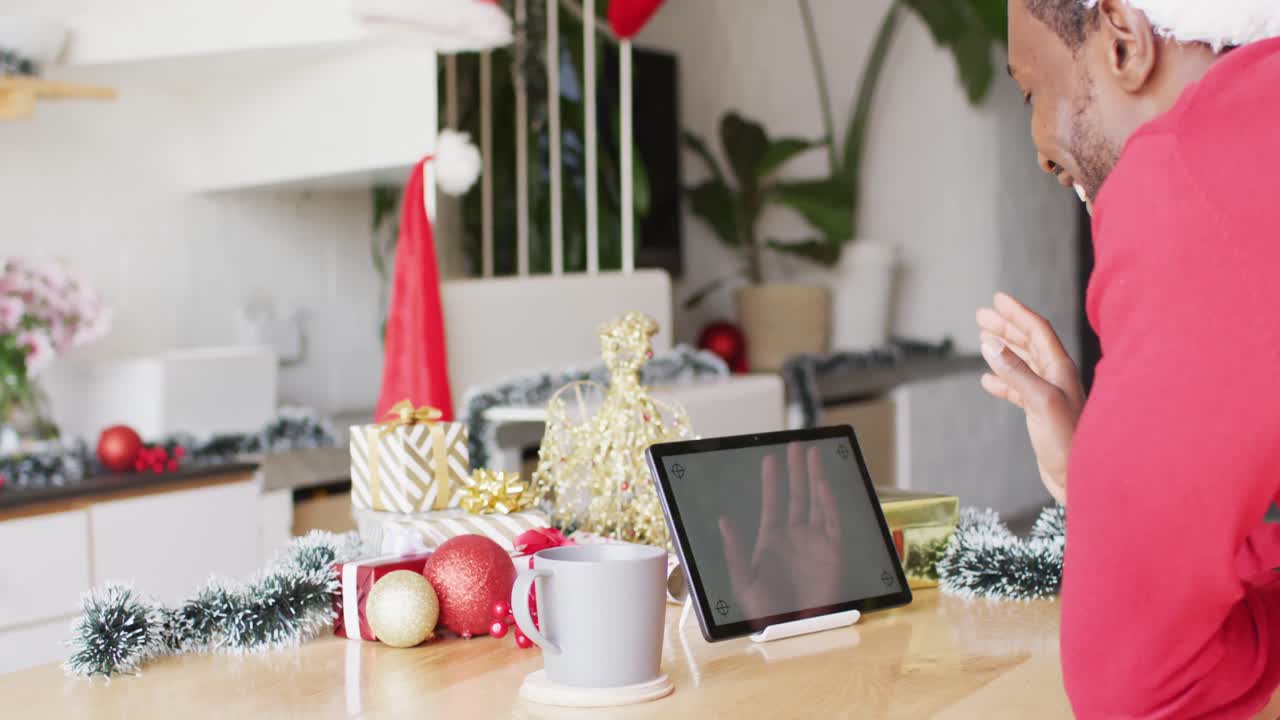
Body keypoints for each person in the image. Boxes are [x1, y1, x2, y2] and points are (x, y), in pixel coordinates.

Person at [978, 0, 1280, 717]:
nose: (1041, 151)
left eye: (1033, 89)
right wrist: (1092, 479)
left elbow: (1138, 688)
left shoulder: (1192, 172)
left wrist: (1098, 492)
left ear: (1123, 41)